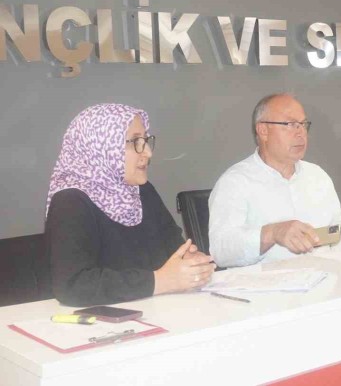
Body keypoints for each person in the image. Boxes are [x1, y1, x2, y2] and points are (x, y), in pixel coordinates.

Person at [45, 104, 215, 307]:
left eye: (146, 140)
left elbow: (173, 246)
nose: (148, 152)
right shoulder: (70, 201)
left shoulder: (142, 190)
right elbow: (73, 285)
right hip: (104, 321)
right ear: (101, 146)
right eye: (135, 142)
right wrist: (159, 281)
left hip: (157, 308)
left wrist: (190, 261)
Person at [209, 94, 341, 267]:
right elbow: (221, 251)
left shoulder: (317, 175)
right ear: (263, 130)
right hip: (266, 281)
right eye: (290, 124)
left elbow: (340, 230)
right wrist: (272, 233)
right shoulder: (235, 182)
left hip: (327, 275)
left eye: (303, 124)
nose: (301, 133)